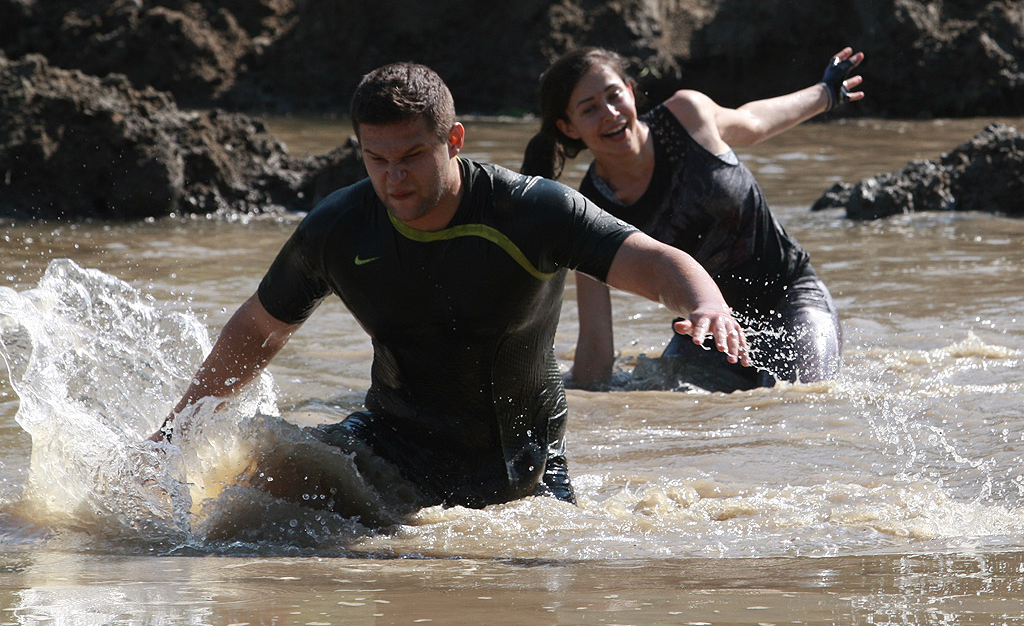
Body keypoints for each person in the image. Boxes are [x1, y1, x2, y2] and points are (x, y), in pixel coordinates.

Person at [151, 61, 748, 517]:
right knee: (255, 491)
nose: (394, 177)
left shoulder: (531, 211)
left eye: (412, 155)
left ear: (454, 140)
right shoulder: (337, 229)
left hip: (523, 467)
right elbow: (259, 327)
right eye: (376, 158)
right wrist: (175, 433)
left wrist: (705, 304)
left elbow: (656, 260)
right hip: (389, 449)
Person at [521, 47, 865, 391]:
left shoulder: (686, 115)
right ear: (568, 127)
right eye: (590, 109)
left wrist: (826, 94)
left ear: (629, 90)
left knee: (813, 396)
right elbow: (596, 346)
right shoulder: (591, 211)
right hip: (706, 334)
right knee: (680, 414)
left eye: (614, 96)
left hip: (790, 295)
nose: (610, 113)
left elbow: (753, 123)